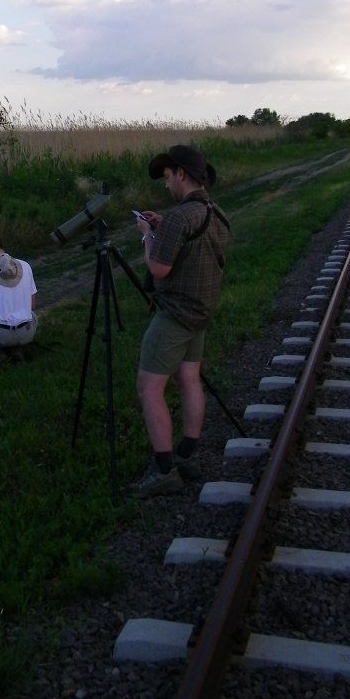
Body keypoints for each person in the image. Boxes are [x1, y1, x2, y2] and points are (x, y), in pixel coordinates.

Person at [127, 144, 230, 498]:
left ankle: (164, 470)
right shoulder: (216, 212)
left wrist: (148, 235)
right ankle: (187, 454)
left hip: (175, 315)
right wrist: (163, 228)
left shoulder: (179, 217)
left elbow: (158, 268)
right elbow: (191, 249)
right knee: (189, 379)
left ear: (182, 174)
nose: (166, 183)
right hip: (201, 313)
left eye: (168, 176)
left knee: (148, 387)